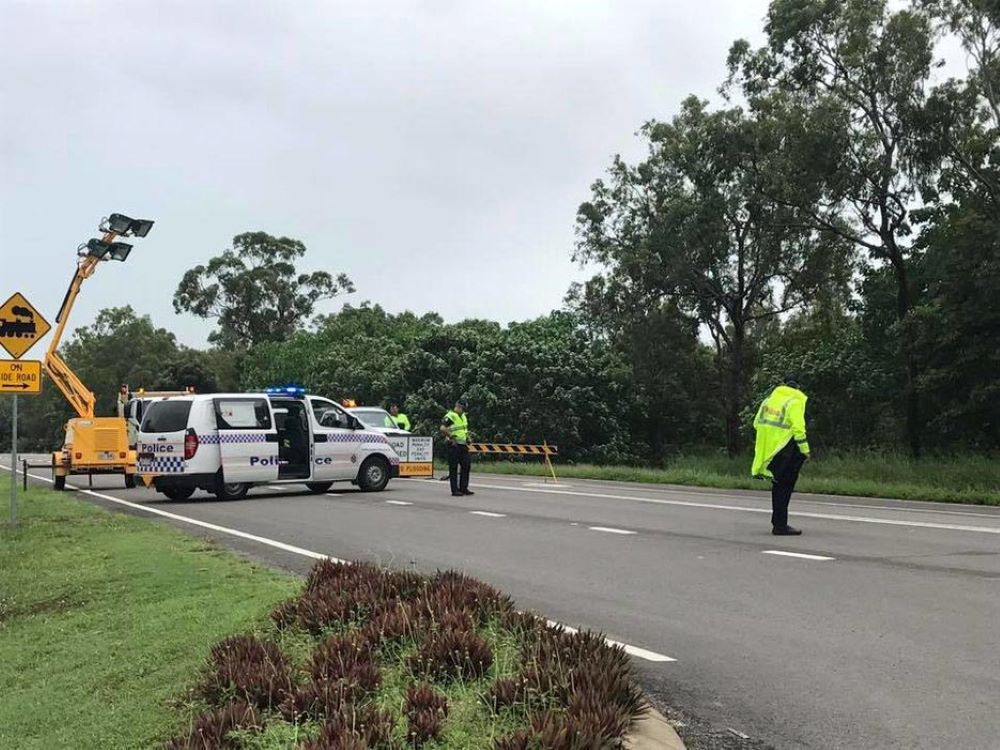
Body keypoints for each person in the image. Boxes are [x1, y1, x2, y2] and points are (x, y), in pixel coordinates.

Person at [751, 376, 811, 535]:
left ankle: (778, 522)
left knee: (778, 486)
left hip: (771, 451)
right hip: (788, 450)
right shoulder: (795, 402)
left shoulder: (768, 401)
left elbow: (756, 423)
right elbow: (799, 429)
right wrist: (805, 450)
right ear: (797, 387)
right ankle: (780, 525)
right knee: (785, 486)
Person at [441, 399, 473, 497]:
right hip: (453, 445)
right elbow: (442, 428)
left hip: (463, 444)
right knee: (453, 467)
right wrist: (451, 437)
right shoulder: (450, 416)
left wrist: (468, 437)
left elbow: (464, 429)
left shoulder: (463, 416)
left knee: (466, 465)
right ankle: (455, 490)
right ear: (458, 406)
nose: (463, 411)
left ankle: (463, 488)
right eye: (462, 408)